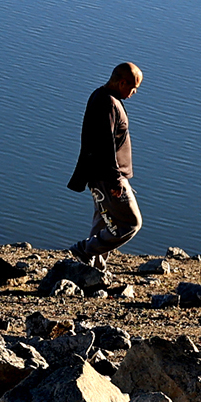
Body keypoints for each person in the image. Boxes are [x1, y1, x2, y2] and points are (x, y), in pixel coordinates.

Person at [65, 62, 143, 262]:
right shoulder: (107, 103)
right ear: (122, 82)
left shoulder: (102, 97)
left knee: (104, 222)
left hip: (100, 175)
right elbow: (105, 144)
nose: (134, 92)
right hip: (108, 177)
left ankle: (93, 267)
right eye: (133, 88)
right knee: (131, 223)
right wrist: (116, 179)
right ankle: (84, 250)